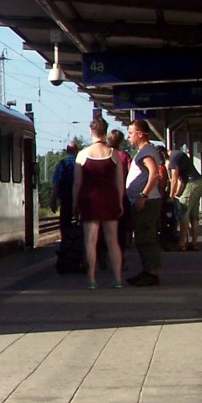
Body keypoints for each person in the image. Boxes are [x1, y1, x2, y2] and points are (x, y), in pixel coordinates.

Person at [72, 119, 124, 289]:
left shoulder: (82, 155)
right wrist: (120, 202)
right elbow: (119, 183)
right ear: (105, 132)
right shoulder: (113, 154)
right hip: (110, 199)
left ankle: (92, 279)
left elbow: (77, 183)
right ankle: (117, 279)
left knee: (90, 241)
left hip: (89, 199)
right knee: (112, 241)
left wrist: (75, 203)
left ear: (91, 132)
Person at [126, 120, 164, 286]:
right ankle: (148, 271)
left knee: (146, 238)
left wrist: (143, 196)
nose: (128, 137)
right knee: (143, 238)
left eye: (131, 133)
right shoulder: (146, 150)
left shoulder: (147, 152)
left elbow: (154, 174)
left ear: (140, 133)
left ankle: (151, 273)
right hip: (146, 201)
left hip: (146, 203)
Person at [168, 145, 202, 251]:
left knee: (183, 209)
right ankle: (194, 242)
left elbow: (174, 179)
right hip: (197, 182)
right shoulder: (179, 155)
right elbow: (180, 180)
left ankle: (182, 243)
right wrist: (177, 193)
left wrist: (171, 196)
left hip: (192, 182)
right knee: (193, 214)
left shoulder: (173, 158)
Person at [108, 128, 133, 253]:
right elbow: (130, 173)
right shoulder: (124, 156)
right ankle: (120, 255)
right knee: (122, 226)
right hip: (121, 195)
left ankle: (103, 252)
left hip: (106, 196)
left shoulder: (104, 153)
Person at [51, 142, 78, 231]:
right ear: (76, 151)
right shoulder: (80, 164)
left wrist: (53, 201)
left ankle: (66, 242)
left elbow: (56, 183)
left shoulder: (61, 164)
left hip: (65, 199)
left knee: (65, 225)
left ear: (67, 151)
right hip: (80, 199)